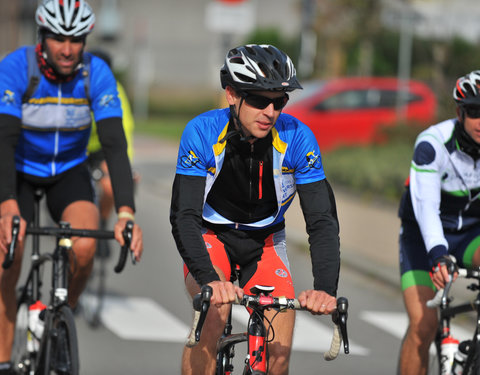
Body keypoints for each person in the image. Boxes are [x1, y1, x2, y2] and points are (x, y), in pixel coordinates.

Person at [170, 44, 341, 375]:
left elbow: (321, 221)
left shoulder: (298, 139)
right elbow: (183, 217)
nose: (270, 111)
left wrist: (325, 289)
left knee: (278, 354)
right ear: (232, 94)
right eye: (260, 100)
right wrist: (209, 278)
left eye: (279, 101)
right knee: (214, 314)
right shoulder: (202, 133)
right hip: (211, 236)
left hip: (264, 242)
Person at [0, 1, 143, 373]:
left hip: (68, 171)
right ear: (42, 37)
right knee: (7, 257)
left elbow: (114, 143)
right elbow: (4, 139)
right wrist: (6, 205)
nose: (67, 49)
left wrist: (126, 211)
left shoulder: (96, 74)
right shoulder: (17, 68)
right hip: (17, 169)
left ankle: (62, 310)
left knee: (84, 244)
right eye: (59, 39)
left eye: (76, 39)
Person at [398, 70, 480, 374]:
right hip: (423, 239)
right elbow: (427, 207)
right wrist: (437, 255)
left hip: (471, 235)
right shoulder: (432, 144)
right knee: (423, 325)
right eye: (474, 112)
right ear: (460, 112)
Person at [86, 48, 137, 233]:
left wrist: (126, 167)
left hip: (101, 148)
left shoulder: (114, 91)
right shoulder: (75, 85)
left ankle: (102, 219)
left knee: (109, 186)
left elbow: (124, 132)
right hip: (78, 147)